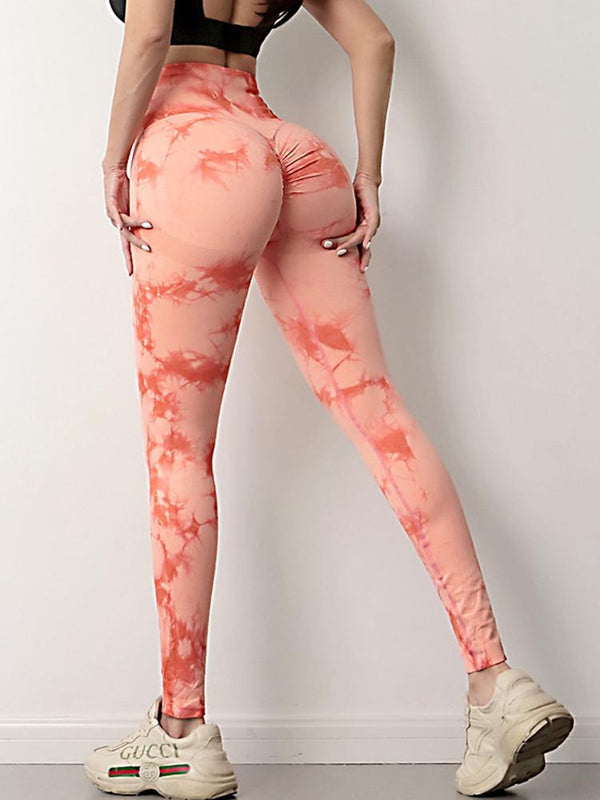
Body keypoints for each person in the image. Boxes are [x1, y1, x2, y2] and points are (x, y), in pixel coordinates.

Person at [84, 1, 575, 798]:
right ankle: (496, 682)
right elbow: (373, 40)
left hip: (194, 152)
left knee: (180, 452)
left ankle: (181, 733)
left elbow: (149, 32)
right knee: (379, 410)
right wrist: (368, 178)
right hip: (294, 153)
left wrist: (112, 160)